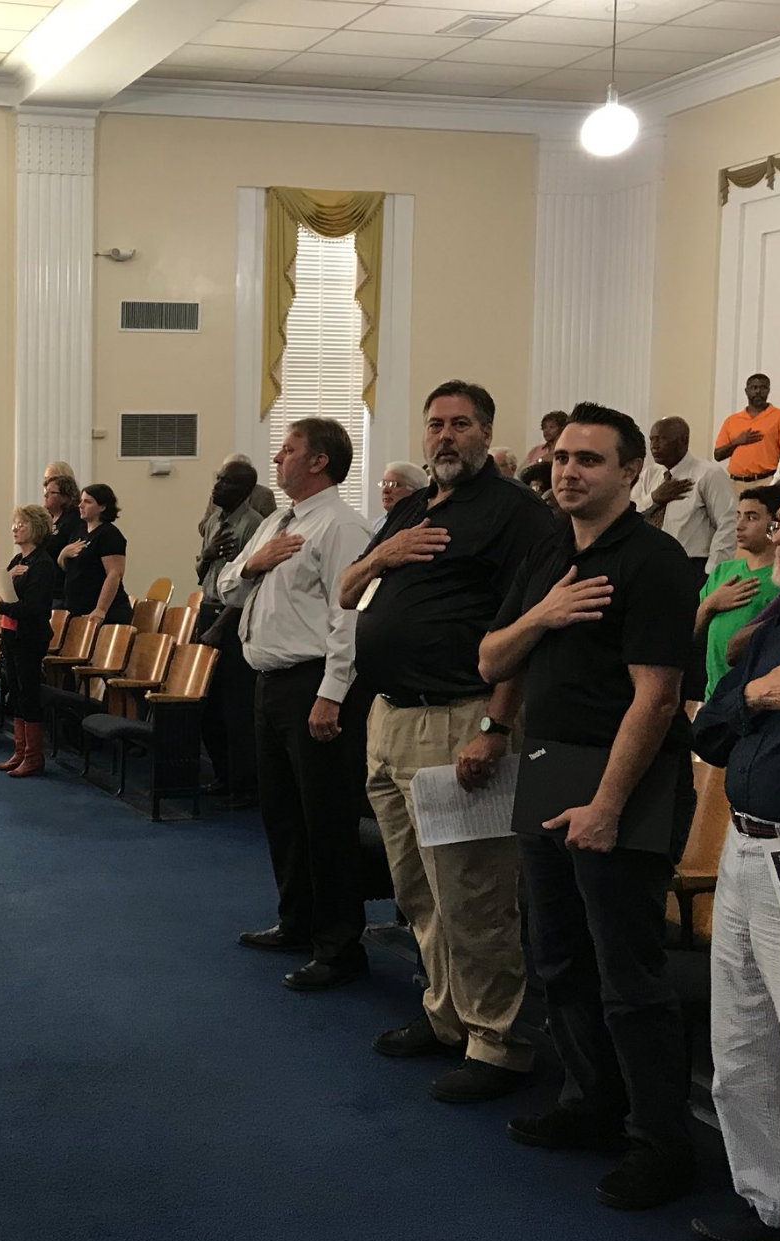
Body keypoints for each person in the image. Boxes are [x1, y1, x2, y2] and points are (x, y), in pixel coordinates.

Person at [479, 402, 699, 1212]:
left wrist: (607, 804)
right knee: (559, 957)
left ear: (631, 472)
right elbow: (491, 657)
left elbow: (658, 697)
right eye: (563, 457)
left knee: (628, 975)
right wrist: (542, 614)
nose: (568, 471)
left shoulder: (655, 560)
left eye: (591, 460)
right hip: (547, 768)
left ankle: (659, 1142)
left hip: (626, 784)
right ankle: (590, 1103)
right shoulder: (547, 551)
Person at [339, 380, 557, 1104]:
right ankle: (447, 1017)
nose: (445, 436)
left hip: (460, 720)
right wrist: (385, 554)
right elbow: (346, 590)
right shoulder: (410, 508)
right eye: (435, 424)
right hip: (389, 720)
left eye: (461, 424)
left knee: (473, 891)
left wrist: (496, 727)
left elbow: (528, 634)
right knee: (416, 891)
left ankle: (498, 1041)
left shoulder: (515, 513)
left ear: (486, 432)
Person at [690, 477, 780, 1241]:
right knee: (742, 1048)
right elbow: (709, 731)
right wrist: (759, 696)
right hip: (744, 849)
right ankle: (774, 1207)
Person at [219, 418, 373, 991]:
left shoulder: (342, 526)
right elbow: (226, 587)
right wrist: (253, 563)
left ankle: (339, 946)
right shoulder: (276, 523)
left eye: (288, 450)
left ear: (319, 462)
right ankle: (297, 922)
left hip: (313, 685)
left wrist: (331, 694)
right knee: (282, 813)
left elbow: (348, 618)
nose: (277, 459)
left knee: (325, 818)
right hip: (269, 682)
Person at [196, 460, 264, 806]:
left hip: (231, 618)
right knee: (207, 705)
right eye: (218, 479)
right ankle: (222, 775)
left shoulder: (254, 525)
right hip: (207, 609)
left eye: (226, 482)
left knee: (235, 706)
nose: (217, 486)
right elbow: (200, 574)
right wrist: (207, 555)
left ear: (244, 489)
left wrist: (218, 628)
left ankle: (245, 784)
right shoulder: (212, 522)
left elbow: (250, 587)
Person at [695, 486, 780, 700]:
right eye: (738, 516)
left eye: (751, 517)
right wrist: (710, 604)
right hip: (714, 697)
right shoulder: (722, 572)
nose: (739, 525)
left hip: (757, 698)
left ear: (775, 525)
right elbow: (690, 635)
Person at [0, 504, 60, 778]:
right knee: (16, 693)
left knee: (28, 694)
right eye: (15, 523)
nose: (15, 528)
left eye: (22, 524)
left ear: (36, 528)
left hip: (29, 636)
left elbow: (33, 608)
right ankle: (20, 751)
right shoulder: (17, 560)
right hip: (11, 634)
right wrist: (7, 578)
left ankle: (33, 756)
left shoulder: (42, 564)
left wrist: (2, 606)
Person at [633, 416, 738, 574]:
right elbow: (630, 515)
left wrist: (713, 571)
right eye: (652, 439)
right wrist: (654, 498)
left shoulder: (708, 474)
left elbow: (728, 523)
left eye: (662, 439)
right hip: (649, 563)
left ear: (682, 441)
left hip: (692, 564)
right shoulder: (649, 474)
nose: (654, 446)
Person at [59, 485, 131, 625]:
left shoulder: (109, 534)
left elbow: (114, 573)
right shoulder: (79, 532)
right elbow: (68, 568)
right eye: (81, 501)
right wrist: (63, 554)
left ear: (102, 507)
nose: (80, 505)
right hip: (77, 609)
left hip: (103, 612)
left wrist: (100, 609)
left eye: (88, 502)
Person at [717, 373, 780, 496]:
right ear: (746, 391)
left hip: (766, 481)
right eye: (754, 387)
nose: (758, 391)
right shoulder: (732, 420)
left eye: (763, 387)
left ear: (768, 390)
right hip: (736, 484)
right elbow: (718, 455)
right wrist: (737, 441)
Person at [375, 462, 427, 539]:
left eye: (394, 484)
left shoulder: (421, 525)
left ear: (415, 491)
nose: (385, 490)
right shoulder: (376, 525)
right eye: (384, 483)